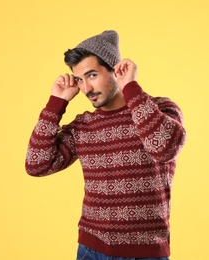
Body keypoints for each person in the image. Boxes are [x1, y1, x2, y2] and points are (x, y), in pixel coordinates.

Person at [25, 30, 186, 260]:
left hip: (146, 253)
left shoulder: (161, 109)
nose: (86, 89)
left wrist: (131, 87)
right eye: (79, 80)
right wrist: (56, 104)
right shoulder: (84, 125)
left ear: (115, 69)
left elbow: (164, 147)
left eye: (91, 75)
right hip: (91, 251)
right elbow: (36, 164)